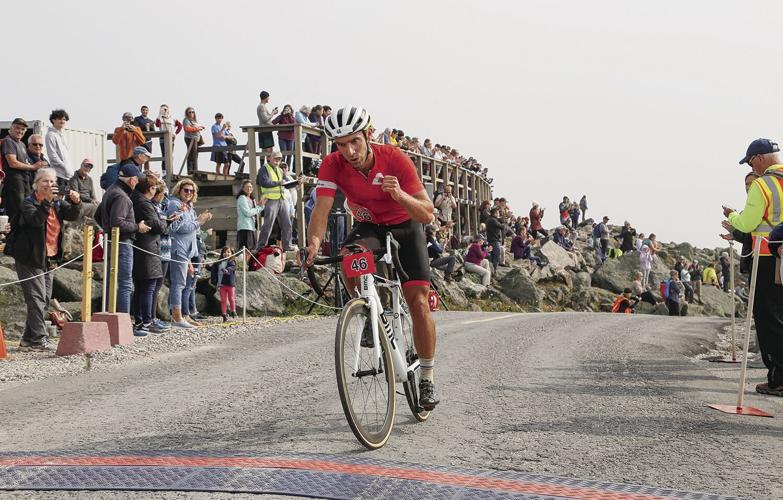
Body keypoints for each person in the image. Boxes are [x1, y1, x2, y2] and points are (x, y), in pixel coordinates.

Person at [304, 106, 440, 410]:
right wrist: (313, 242)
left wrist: (400, 196)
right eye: (341, 145)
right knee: (348, 256)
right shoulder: (332, 164)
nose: (349, 151)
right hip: (369, 225)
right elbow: (322, 208)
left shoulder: (394, 159)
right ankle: (368, 311)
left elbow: (427, 214)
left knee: (418, 302)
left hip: (406, 224)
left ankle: (428, 377)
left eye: (354, 141)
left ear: (367, 134)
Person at [724, 138, 783, 396]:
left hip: (768, 258)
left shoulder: (763, 184)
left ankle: (778, 378)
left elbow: (748, 223)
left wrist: (732, 216)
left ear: (759, 158)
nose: (751, 167)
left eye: (750, 162)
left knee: (768, 318)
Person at [9, 168, 81, 350]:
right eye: (44, 181)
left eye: (52, 182)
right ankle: (39, 339)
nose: (49, 185)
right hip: (29, 258)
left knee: (44, 299)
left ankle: (27, 339)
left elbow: (73, 215)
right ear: (36, 183)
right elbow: (35, 221)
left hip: (49, 257)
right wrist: (46, 202)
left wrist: (76, 202)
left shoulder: (57, 203)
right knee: (36, 299)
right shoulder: (28, 202)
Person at [97, 162, 151, 314]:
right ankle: (123, 322)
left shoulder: (110, 191)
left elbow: (97, 214)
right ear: (131, 180)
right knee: (125, 283)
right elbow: (118, 222)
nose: (138, 182)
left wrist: (106, 229)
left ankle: (109, 318)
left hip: (111, 242)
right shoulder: (122, 197)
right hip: (122, 243)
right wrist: (137, 227)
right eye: (137, 179)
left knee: (111, 282)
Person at [166, 179, 212, 328]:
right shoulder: (175, 204)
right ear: (179, 190)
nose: (189, 193)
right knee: (178, 283)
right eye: (186, 190)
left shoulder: (189, 207)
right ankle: (177, 317)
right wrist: (199, 221)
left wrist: (198, 222)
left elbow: (193, 229)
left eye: (191, 191)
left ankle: (185, 315)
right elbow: (178, 228)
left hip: (187, 251)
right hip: (178, 249)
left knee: (186, 284)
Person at [131, 174, 168, 336]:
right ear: (148, 189)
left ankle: (141, 320)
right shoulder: (144, 203)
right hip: (147, 248)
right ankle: (146, 321)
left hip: (145, 247)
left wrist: (162, 222)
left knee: (142, 287)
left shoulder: (138, 200)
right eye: (153, 188)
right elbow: (158, 225)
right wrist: (164, 222)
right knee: (148, 286)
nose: (155, 191)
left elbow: (155, 223)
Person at [256, 151, 301, 251]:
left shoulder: (280, 170)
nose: (277, 161)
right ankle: (260, 246)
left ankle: (287, 246)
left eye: (279, 159)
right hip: (271, 200)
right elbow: (264, 183)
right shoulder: (264, 169)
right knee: (268, 224)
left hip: (282, 199)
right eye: (276, 159)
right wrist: (279, 183)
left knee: (287, 224)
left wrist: (298, 182)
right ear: (270, 158)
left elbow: (286, 184)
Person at [2, 120, 45, 221]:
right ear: (11, 128)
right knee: (16, 212)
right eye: (17, 128)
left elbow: (25, 163)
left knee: (25, 210)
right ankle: (12, 236)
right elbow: (12, 163)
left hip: (24, 183)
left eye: (23, 129)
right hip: (14, 182)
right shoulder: (8, 141)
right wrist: (34, 167)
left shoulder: (21, 144)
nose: (20, 131)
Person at [151, 177, 172, 330]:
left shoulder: (161, 206)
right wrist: (168, 223)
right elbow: (161, 228)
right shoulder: (153, 206)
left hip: (166, 251)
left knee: (158, 286)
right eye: (162, 193)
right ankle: (151, 318)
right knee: (153, 287)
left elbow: (165, 226)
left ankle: (154, 317)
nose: (164, 196)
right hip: (157, 251)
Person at [45, 109, 73, 192]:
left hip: (67, 175)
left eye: (64, 119)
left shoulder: (62, 135)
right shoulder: (50, 135)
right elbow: (52, 156)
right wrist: (64, 167)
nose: (62, 121)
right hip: (58, 174)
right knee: (58, 198)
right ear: (53, 120)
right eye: (60, 118)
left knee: (65, 198)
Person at [236, 180, 264, 255]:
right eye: (247, 187)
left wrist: (260, 206)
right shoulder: (242, 198)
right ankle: (245, 266)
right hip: (245, 226)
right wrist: (259, 208)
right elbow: (248, 213)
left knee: (251, 249)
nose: (249, 188)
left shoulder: (252, 199)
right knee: (246, 250)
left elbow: (255, 210)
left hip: (251, 227)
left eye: (250, 187)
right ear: (243, 188)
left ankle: (247, 265)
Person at [211, 246, 238, 322]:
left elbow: (232, 268)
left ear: (232, 254)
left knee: (231, 298)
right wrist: (206, 266)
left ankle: (233, 311)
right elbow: (213, 268)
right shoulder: (219, 262)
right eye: (224, 252)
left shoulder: (232, 262)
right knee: (223, 300)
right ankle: (224, 314)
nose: (226, 253)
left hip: (230, 284)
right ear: (222, 253)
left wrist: (227, 270)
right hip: (221, 284)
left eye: (228, 252)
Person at [155, 104, 182, 175]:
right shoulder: (159, 118)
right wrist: (160, 114)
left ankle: (170, 171)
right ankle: (164, 172)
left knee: (170, 155)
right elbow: (157, 125)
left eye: (166, 109)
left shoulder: (172, 118)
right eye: (163, 109)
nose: (165, 110)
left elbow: (180, 125)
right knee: (164, 155)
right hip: (162, 138)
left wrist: (175, 133)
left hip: (171, 139)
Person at [183, 107, 204, 175]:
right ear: (187, 113)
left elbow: (193, 128)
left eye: (193, 112)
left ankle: (195, 171)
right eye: (190, 112)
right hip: (190, 139)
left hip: (196, 140)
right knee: (191, 155)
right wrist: (197, 128)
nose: (191, 113)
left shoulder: (194, 121)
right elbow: (187, 129)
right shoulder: (186, 120)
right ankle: (190, 171)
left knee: (195, 155)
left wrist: (200, 127)